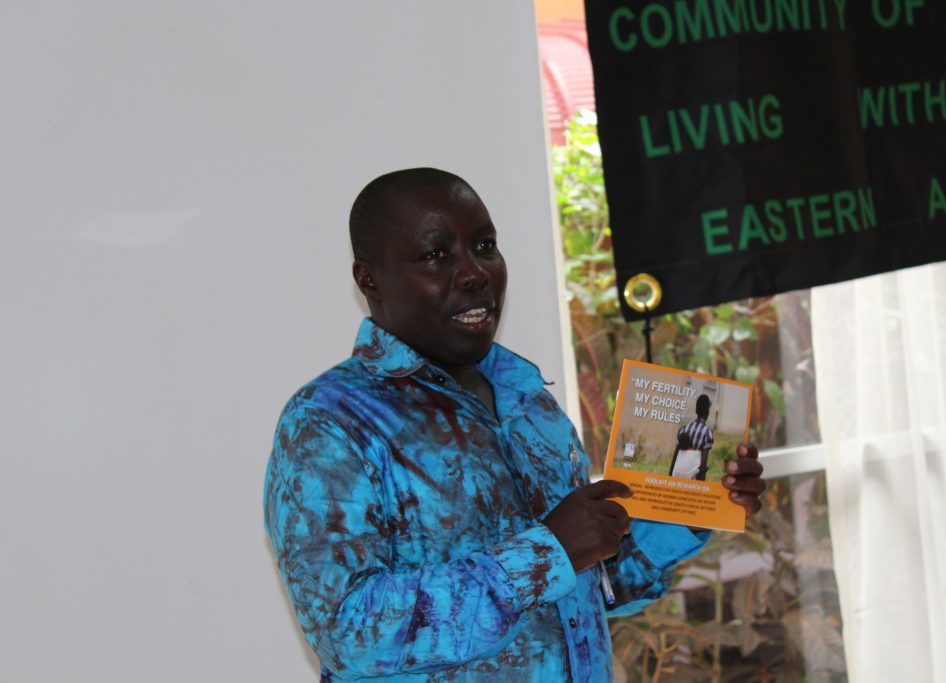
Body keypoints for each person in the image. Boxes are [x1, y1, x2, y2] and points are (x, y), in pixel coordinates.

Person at [263, 168, 766, 681]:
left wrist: (690, 510)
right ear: (369, 279)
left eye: (485, 245)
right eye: (436, 255)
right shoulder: (328, 423)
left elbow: (594, 591)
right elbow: (347, 631)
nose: (474, 272)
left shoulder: (532, 405)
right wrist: (545, 554)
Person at [675, 394, 715, 481]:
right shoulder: (707, 432)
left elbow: (677, 456)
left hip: (678, 476)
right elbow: (703, 464)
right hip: (693, 478)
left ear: (696, 410)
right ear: (707, 411)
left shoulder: (684, 429)